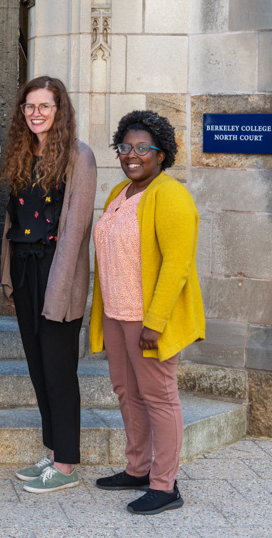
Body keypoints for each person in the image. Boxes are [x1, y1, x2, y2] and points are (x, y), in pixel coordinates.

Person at [90, 110, 205, 515]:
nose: (132, 155)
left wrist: (155, 323)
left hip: (148, 318)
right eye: (125, 147)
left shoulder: (171, 195)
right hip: (118, 314)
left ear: (161, 154)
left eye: (142, 148)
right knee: (127, 392)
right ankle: (137, 468)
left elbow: (177, 264)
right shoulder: (120, 192)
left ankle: (165, 484)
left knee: (159, 397)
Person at [0, 76, 97, 494]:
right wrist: (8, 274)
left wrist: (58, 288)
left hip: (59, 273)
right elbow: (11, 219)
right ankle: (52, 449)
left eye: (45, 106)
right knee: (38, 370)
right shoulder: (22, 153)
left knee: (59, 371)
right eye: (29, 106)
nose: (36, 113)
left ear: (61, 110)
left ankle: (68, 464)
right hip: (25, 271)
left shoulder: (79, 157)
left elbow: (75, 231)